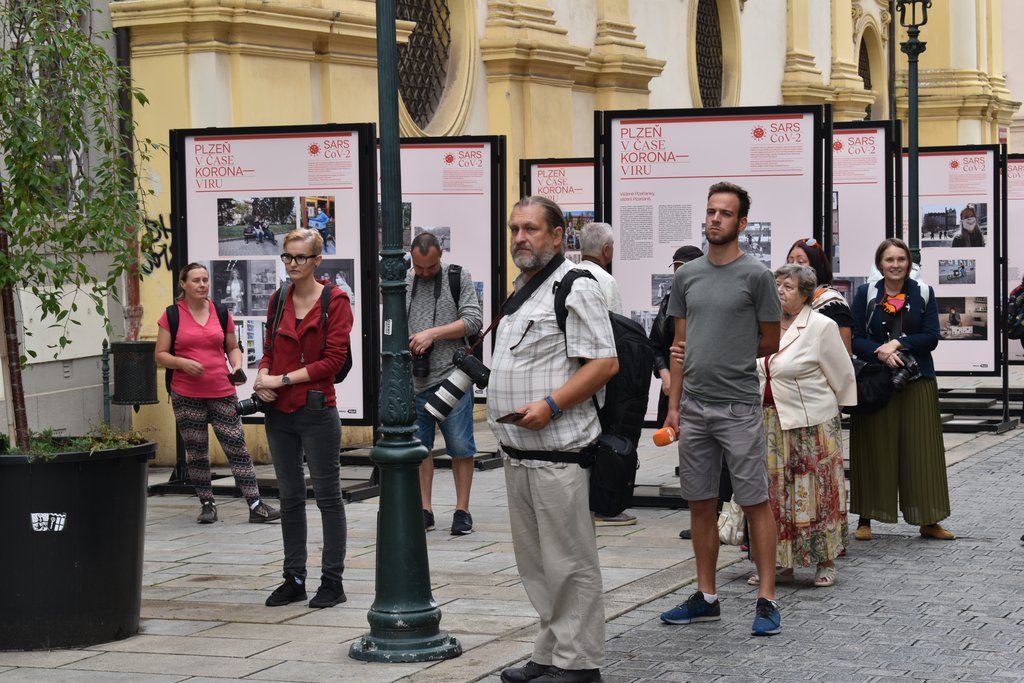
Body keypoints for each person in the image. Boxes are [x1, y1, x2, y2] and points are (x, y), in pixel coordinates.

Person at [490, 196, 617, 683]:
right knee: (537, 565)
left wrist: (551, 404)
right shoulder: (524, 289)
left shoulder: (575, 285)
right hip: (519, 453)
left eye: (531, 229)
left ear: (559, 235)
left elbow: (604, 363)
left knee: (569, 563)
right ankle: (550, 653)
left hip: (560, 453)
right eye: (514, 229)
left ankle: (579, 663)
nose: (520, 238)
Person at [658, 182, 783, 637]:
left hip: (738, 407)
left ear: (741, 223)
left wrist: (729, 353)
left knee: (754, 502)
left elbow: (770, 340)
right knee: (699, 503)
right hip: (693, 407)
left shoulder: (757, 276)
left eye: (725, 213)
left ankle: (766, 599)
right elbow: (679, 346)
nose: (715, 219)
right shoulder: (687, 275)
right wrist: (673, 408)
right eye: (711, 211)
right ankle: (706, 596)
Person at [255, 228, 354, 608]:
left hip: (316, 410)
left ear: (317, 260)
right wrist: (263, 377)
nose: (292, 264)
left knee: (328, 497)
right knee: (290, 496)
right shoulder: (279, 298)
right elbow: (268, 348)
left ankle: (332, 582)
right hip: (279, 412)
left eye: (300, 257)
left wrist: (280, 380)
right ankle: (293, 578)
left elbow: (332, 362)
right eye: (287, 256)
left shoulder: (335, 300)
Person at [753, 264, 855, 588]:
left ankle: (826, 561)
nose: (780, 291)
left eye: (788, 286)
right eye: (777, 285)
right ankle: (780, 563)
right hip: (770, 422)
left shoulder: (821, 326)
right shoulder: (763, 325)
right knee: (775, 495)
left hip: (812, 425)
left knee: (816, 494)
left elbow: (842, 374)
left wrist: (833, 413)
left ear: (806, 294)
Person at [155, 263, 280, 525]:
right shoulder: (172, 315)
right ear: (183, 284)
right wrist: (182, 363)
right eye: (196, 280)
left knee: (236, 447)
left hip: (221, 391)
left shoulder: (221, 312)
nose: (202, 285)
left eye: (205, 280)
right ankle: (207, 504)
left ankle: (255, 505)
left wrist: (236, 365)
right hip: (186, 394)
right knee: (197, 451)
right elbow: (160, 355)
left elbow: (232, 347)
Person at [850, 238, 954, 542]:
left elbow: (931, 337)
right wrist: (881, 353)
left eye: (901, 259)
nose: (895, 265)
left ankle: (928, 519)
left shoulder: (923, 292)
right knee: (872, 449)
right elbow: (855, 338)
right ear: (880, 263)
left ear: (909, 263)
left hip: (917, 380)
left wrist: (898, 343)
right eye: (889, 260)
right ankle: (865, 518)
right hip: (876, 381)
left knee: (921, 451)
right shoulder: (866, 293)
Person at [650, 246, 734, 540]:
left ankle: (721, 516)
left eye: (683, 268)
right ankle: (702, 516)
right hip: (675, 387)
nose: (679, 274)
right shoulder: (669, 301)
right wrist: (664, 374)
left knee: (721, 457)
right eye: (676, 269)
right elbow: (656, 343)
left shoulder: (716, 299)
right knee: (692, 455)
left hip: (709, 387)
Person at [406, 232, 483, 535]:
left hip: (452, 379)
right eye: (419, 267)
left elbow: (473, 320)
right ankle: (424, 509)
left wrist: (432, 334)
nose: (425, 273)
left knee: (461, 447)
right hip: (414, 379)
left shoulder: (458, 276)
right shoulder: (404, 280)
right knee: (420, 449)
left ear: (440, 255)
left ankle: (462, 510)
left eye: (431, 267)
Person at [787, 237, 853, 353]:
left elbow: (845, 353)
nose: (793, 266)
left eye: (801, 262)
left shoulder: (832, 302)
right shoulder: (787, 300)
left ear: (816, 266)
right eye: (790, 261)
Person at [575, 222, 624, 316]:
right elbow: (617, 321)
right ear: (606, 250)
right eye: (612, 245)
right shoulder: (607, 281)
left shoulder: (570, 274)